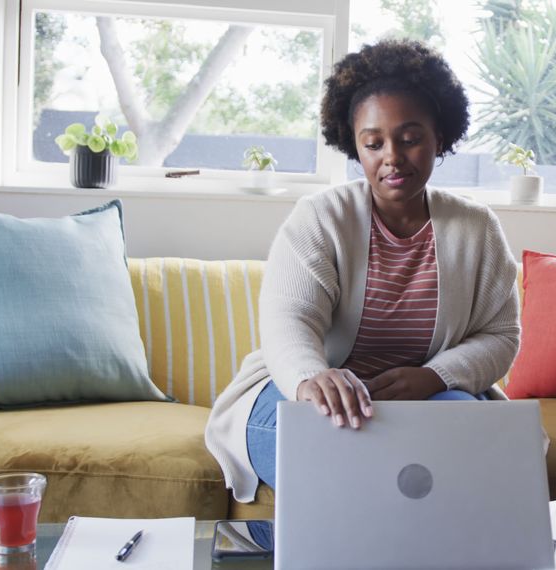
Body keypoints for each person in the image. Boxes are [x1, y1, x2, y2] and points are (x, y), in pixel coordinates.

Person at [204, 39, 520, 502]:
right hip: (306, 390)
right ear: (354, 145)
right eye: (373, 143)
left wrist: (436, 376)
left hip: (426, 396)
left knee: (463, 446)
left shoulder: (476, 228)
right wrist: (313, 377)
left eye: (410, 138)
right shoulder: (320, 217)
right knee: (340, 449)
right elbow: (288, 320)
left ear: (440, 137)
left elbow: (501, 335)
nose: (391, 155)